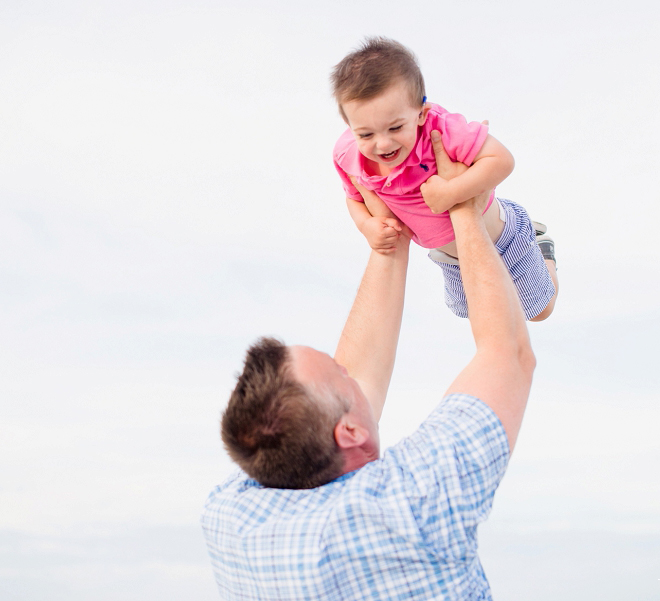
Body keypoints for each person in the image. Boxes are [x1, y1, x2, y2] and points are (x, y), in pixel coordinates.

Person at [201, 133, 536, 599]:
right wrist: (462, 208)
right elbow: (507, 354)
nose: (349, 371)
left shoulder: (232, 518)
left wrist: (388, 242)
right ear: (349, 433)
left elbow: (349, 387)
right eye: (340, 375)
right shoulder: (411, 504)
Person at [332, 37, 558, 321]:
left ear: (421, 114)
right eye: (366, 134)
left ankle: (543, 250)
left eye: (395, 127)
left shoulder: (440, 131)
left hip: (502, 237)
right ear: (350, 126)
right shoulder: (348, 156)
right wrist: (366, 225)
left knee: (538, 311)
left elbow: (502, 160)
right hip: (452, 258)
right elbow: (354, 198)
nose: (382, 144)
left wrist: (451, 192)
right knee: (479, 317)